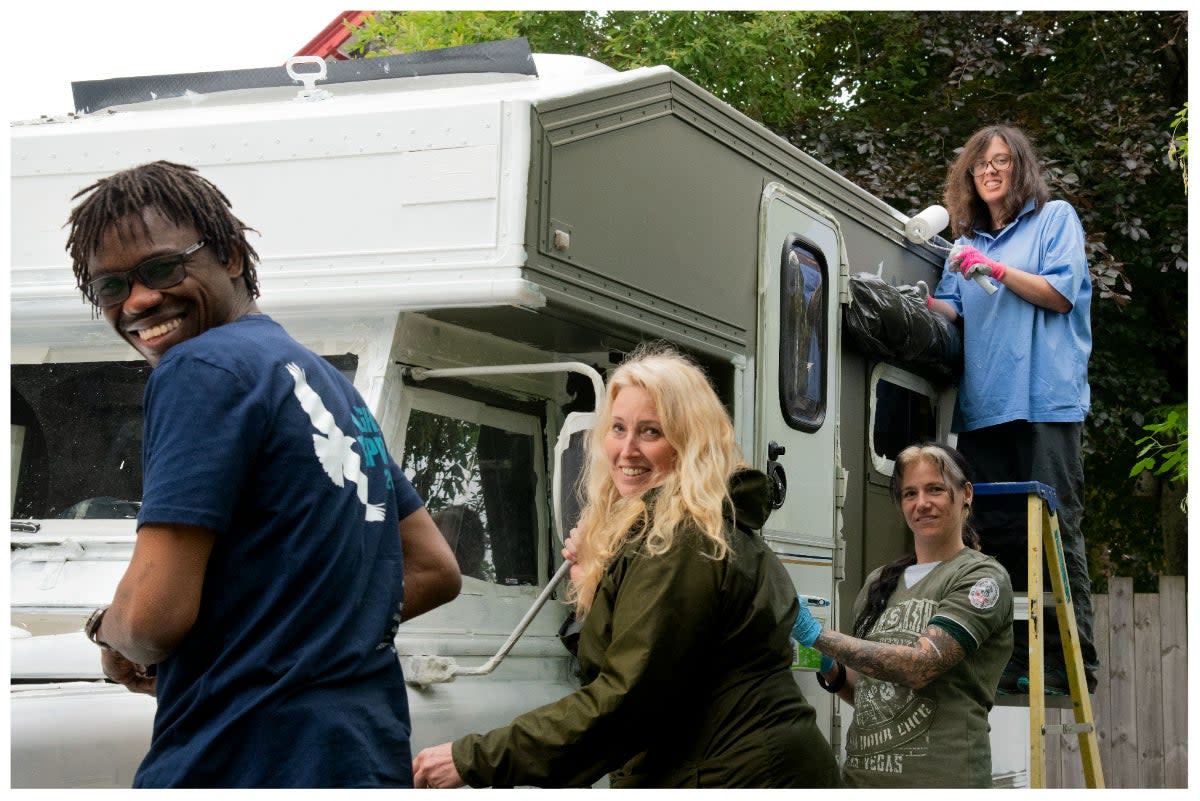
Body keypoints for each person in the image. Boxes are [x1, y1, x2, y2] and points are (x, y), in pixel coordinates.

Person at [65, 161, 462, 788]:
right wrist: (293, 640)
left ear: (228, 256)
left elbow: (149, 621)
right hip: (360, 757)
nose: (138, 301)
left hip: (241, 759)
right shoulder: (326, 383)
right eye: (110, 287)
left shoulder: (198, 368)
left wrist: (104, 631)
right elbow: (435, 570)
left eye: (163, 269)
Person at [412, 344, 838, 788]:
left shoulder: (683, 541)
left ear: (689, 442)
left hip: (742, 774)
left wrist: (474, 758)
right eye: (618, 428)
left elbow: (628, 700)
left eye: (651, 432)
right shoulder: (681, 526)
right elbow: (648, 659)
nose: (626, 450)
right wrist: (593, 587)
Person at [926, 124, 1097, 695]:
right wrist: (908, 298)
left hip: (1046, 402)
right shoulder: (964, 245)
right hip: (985, 408)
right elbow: (948, 312)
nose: (990, 171)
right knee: (993, 537)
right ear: (968, 178)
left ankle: (1069, 668)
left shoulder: (1055, 221)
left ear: (1020, 168)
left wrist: (996, 270)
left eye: (1001, 161)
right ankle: (1013, 665)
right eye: (980, 165)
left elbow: (1060, 292)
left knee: (1051, 529)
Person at [791, 443, 1013, 788]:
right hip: (860, 783)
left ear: (965, 494)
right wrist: (831, 668)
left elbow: (919, 667)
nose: (921, 503)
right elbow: (870, 692)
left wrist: (820, 636)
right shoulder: (878, 583)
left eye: (935, 489)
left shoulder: (982, 578)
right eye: (910, 493)